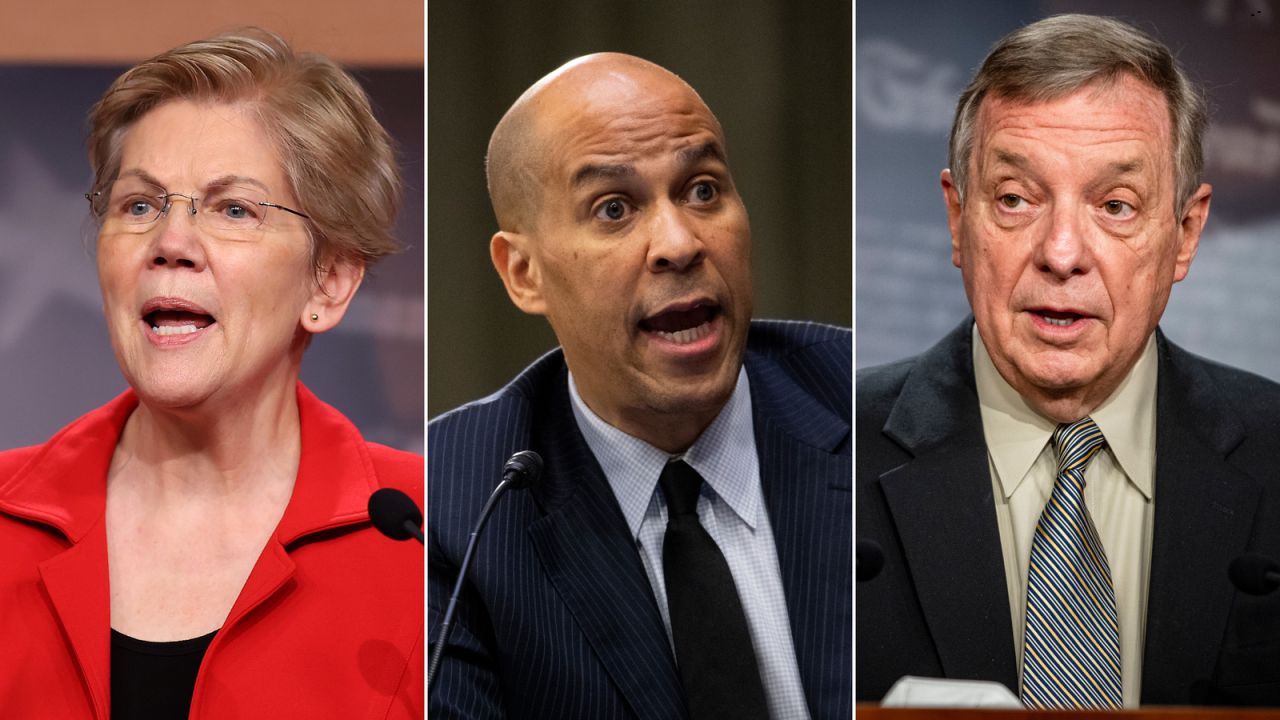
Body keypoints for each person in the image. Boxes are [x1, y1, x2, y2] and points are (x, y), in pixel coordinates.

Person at [857, 13, 1280, 709]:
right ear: (957, 217)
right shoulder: (841, 450)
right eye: (1016, 199)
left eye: (1115, 205)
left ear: (1185, 232)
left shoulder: (1272, 451)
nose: (1061, 253)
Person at [0, 29, 423, 718]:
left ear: (330, 282)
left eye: (234, 210)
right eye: (139, 205)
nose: (171, 244)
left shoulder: (429, 537)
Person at [428, 53, 851, 719]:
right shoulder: (455, 508)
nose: (679, 243)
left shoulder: (862, 403)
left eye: (703, 190)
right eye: (614, 208)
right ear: (523, 272)